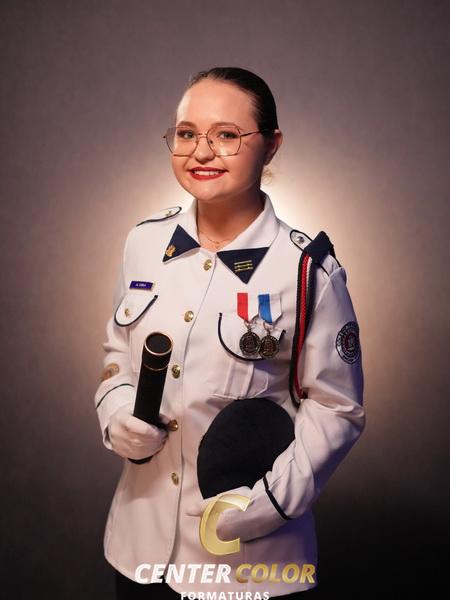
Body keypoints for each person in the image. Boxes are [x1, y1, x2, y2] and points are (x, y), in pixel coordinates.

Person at [93, 66, 365, 599]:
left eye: (226, 135)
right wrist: (117, 412)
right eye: (187, 133)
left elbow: (337, 408)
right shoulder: (144, 243)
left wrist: (266, 505)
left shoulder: (307, 270)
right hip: (139, 546)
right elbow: (118, 354)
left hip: (248, 562)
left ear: (271, 145)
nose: (202, 151)